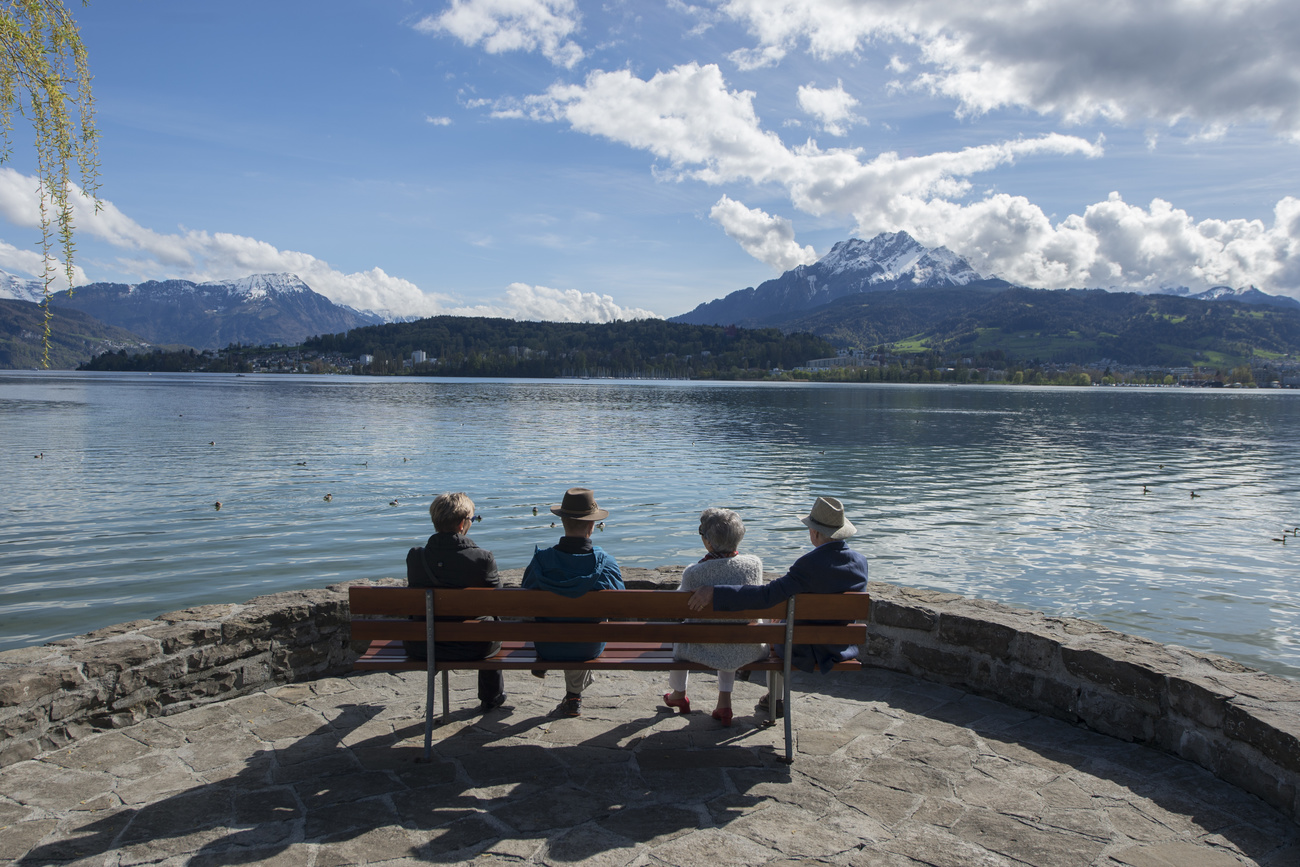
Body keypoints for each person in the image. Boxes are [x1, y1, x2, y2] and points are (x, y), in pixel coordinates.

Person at [687, 496, 868, 712]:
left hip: (803, 648)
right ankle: (774, 697)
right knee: (781, 623)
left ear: (815, 532)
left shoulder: (809, 565)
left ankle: (777, 697)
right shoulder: (860, 562)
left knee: (778, 630)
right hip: (840, 647)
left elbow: (766, 596)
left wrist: (716, 592)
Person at [522, 487, 624, 717]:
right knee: (592, 621)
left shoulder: (541, 560)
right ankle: (574, 695)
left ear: (563, 522)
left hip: (547, 646)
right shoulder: (605, 563)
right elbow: (620, 605)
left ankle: (555, 676)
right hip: (588, 647)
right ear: (591, 527)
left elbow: (524, 598)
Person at [663, 508, 768, 727]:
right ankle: (724, 703)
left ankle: (678, 693)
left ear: (709, 542)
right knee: (730, 631)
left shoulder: (694, 572)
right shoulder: (754, 566)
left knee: (682, 632)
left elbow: (678, 608)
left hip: (701, 646)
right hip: (746, 647)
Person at [405, 492, 505, 713]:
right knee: (491, 623)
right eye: (471, 519)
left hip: (423, 645)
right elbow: (499, 603)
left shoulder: (415, 556)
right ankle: (492, 696)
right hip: (474, 647)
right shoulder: (482, 558)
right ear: (462, 524)